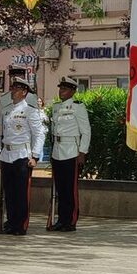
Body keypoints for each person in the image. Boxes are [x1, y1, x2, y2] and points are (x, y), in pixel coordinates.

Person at [0, 77, 46, 235]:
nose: (13, 92)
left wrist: (35, 156)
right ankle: (11, 222)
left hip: (22, 155)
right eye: (13, 88)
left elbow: (39, 134)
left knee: (21, 193)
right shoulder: (7, 110)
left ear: (24, 92)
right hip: (7, 154)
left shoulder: (30, 111)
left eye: (17, 89)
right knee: (10, 192)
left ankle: (20, 225)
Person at [49, 76, 91, 232]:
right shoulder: (56, 107)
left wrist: (82, 152)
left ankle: (70, 221)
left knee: (70, 189)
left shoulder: (78, 107)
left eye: (65, 89)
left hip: (71, 151)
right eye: (60, 88)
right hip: (57, 151)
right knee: (60, 188)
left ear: (73, 91)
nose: (61, 91)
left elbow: (86, 131)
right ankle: (61, 220)